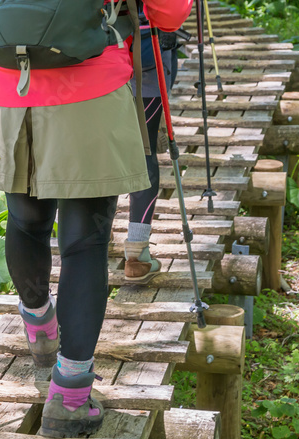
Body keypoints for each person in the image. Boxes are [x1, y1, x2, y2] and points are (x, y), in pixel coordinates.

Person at [0, 0, 192, 438]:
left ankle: (39, 327)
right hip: (90, 85)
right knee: (84, 243)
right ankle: (70, 396)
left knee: (24, 221)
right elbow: (169, 14)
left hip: (6, 85)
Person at [124, 13, 187, 283]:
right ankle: (136, 253)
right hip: (143, 59)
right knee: (144, 150)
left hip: (84, 66)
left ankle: (88, 246)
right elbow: (172, 13)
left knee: (93, 154)